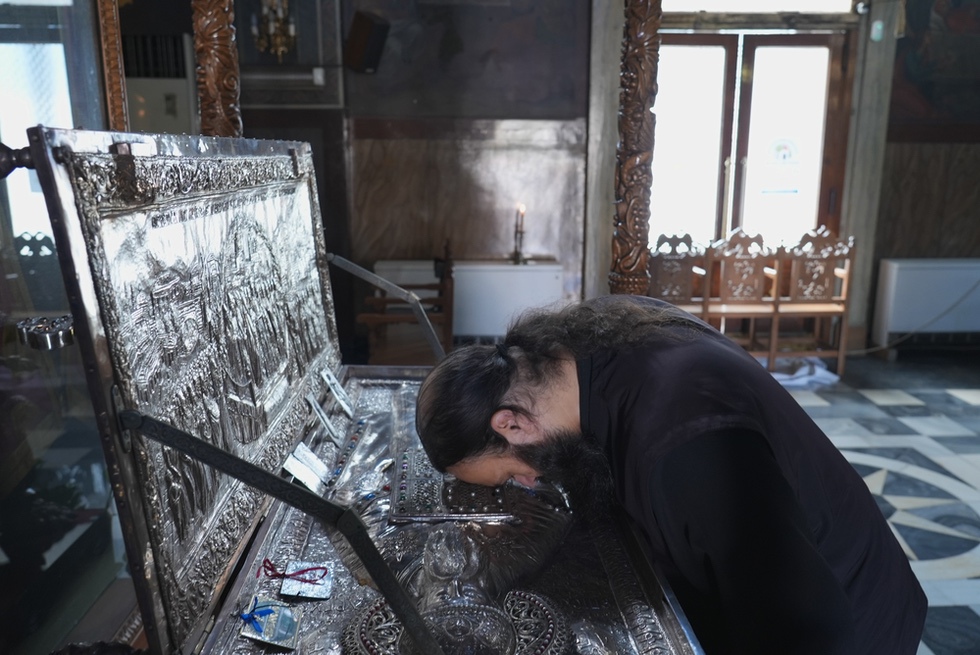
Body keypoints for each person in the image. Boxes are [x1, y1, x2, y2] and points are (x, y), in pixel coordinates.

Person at [415, 294, 927, 654]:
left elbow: (807, 630)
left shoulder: (684, 446)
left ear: (511, 423)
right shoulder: (588, 345)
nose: (529, 484)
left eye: (510, 474)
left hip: (857, 620)